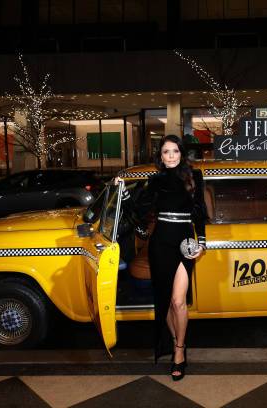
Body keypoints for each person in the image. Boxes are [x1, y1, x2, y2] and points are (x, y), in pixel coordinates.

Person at [115, 134, 207, 381]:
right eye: (166, 152)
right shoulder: (154, 180)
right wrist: (123, 193)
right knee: (166, 300)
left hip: (185, 243)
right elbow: (139, 210)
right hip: (160, 243)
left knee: (179, 301)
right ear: (161, 156)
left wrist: (203, 243)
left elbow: (199, 212)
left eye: (175, 151)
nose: (171, 156)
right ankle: (178, 339)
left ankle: (179, 351)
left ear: (181, 153)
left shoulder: (194, 177)